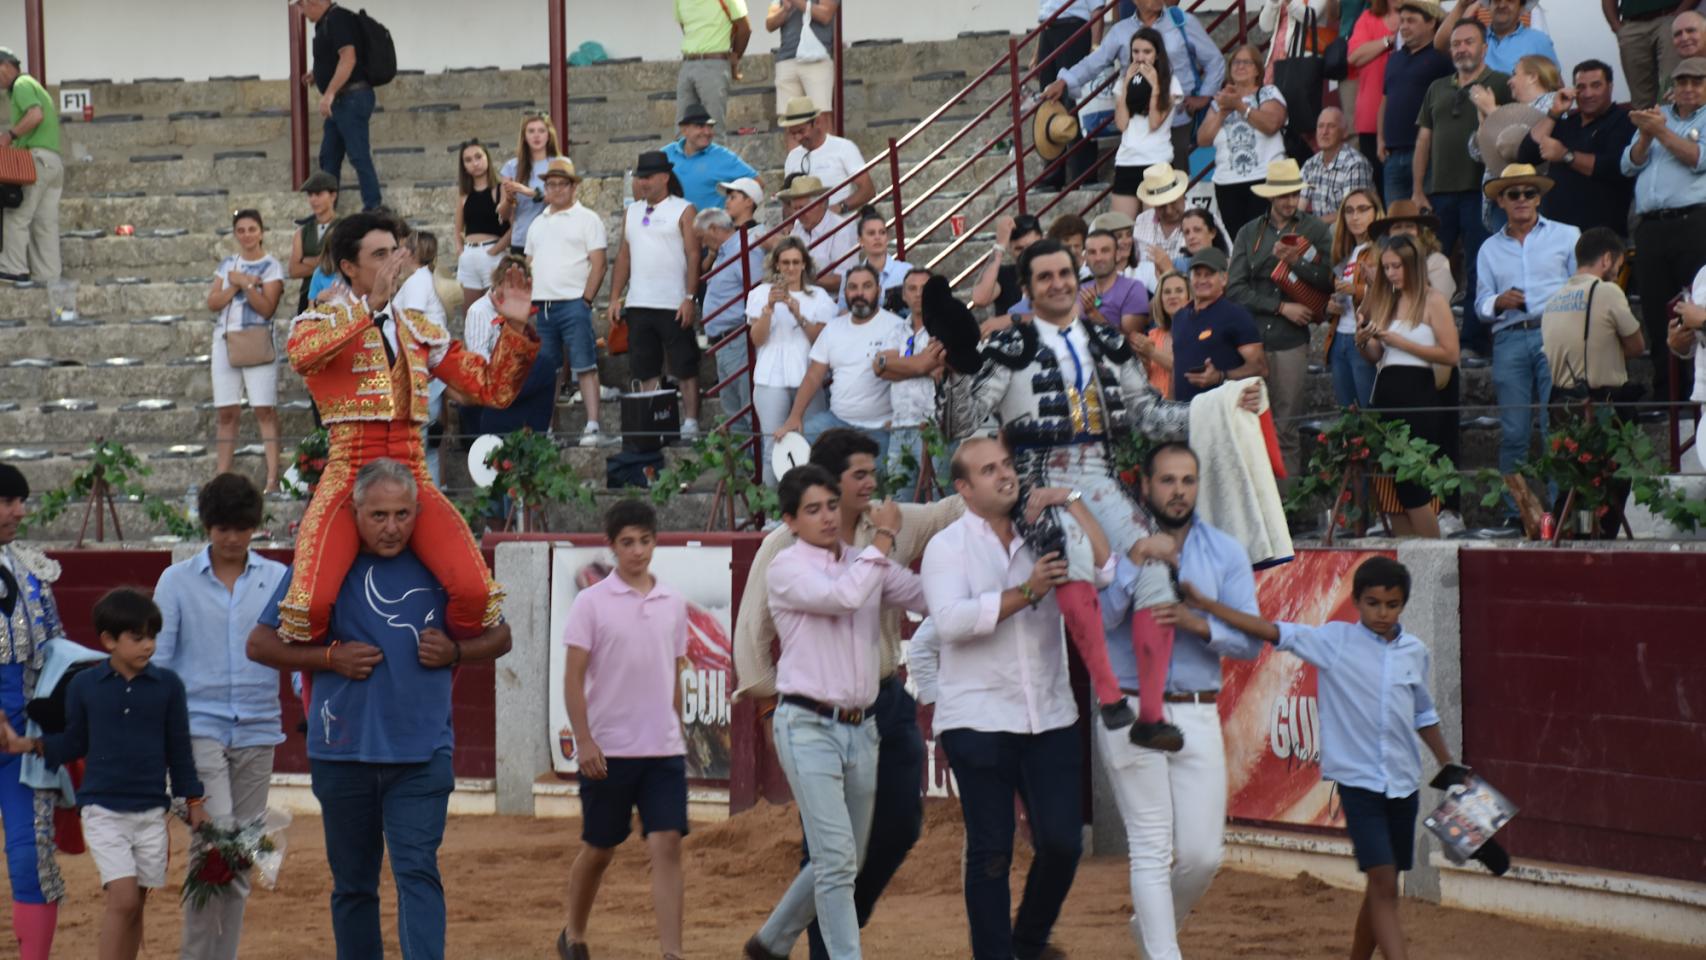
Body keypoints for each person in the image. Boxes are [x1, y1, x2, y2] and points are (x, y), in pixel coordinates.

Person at [929, 242, 1266, 752]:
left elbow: (1150, 416)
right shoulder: (1008, 349)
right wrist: (955, 365)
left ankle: (1150, 715)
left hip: (1101, 475)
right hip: (1037, 476)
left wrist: (1222, 403)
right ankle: (1109, 696)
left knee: (1157, 567)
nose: (1059, 284)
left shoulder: (1110, 341)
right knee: (1071, 552)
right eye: (1045, 277)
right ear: (1028, 288)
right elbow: (962, 423)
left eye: (1066, 274)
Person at [248, 460, 512, 960]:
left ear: (418, 512)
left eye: (403, 514)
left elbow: (502, 635)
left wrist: (457, 652)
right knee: (353, 884)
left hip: (421, 753)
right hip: (342, 752)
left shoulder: (442, 567)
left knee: (417, 873)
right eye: (379, 515)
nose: (392, 527)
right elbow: (259, 645)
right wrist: (328, 657)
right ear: (356, 512)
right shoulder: (321, 569)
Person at [735, 429, 962, 960]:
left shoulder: (866, 548)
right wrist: (767, 708)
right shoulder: (787, 558)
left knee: (849, 856)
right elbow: (839, 599)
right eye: (815, 507)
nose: (830, 515)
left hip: (869, 717)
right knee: (835, 857)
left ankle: (772, 940)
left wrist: (985, 595)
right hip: (808, 719)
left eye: (831, 506)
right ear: (793, 518)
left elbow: (919, 592)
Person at [277, 211, 538, 647]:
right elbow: (303, 358)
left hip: (412, 475)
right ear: (348, 267)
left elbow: (492, 388)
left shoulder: (418, 329)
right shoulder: (318, 321)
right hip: (347, 477)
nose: (394, 265)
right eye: (379, 255)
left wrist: (513, 327)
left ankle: (431, 669)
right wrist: (368, 307)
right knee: (307, 607)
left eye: (396, 254)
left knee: (476, 594)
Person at [1181, 556, 1456, 960]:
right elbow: (1269, 630)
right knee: (1383, 884)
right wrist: (1207, 603)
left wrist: (1448, 763)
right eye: (1373, 603)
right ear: (1358, 602)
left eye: (1392, 604)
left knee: (1382, 887)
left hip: (1403, 784)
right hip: (1359, 785)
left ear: (1403, 604)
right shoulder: (1333, 640)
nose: (1382, 613)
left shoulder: (1415, 652)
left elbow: (1424, 714)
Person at [918, 437, 1096, 960]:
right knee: (992, 852)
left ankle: (1028, 942)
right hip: (977, 718)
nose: (1005, 475)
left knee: (1064, 843)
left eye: (1008, 465)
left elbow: (1104, 572)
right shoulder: (946, 546)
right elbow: (950, 623)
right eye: (989, 470)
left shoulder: (1046, 530)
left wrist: (1075, 498)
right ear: (964, 488)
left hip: (1050, 712)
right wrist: (1030, 592)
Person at [1095, 442, 1264, 960]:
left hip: (1197, 706)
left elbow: (1251, 640)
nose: (1178, 491)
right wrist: (1137, 565)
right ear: (1144, 486)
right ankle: (1163, 951)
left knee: (1202, 854)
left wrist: (1198, 623)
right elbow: (1101, 619)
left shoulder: (1225, 551)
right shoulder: (1118, 544)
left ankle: (1150, 930)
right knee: (1149, 845)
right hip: (1128, 708)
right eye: (1167, 481)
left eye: (1187, 481)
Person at [1, 588, 208, 960]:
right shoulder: (84, 686)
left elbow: (179, 750)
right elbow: (75, 742)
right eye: (138, 637)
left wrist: (193, 800)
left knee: (135, 905)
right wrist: (25, 746)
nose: (148, 646)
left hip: (149, 811)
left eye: (152, 637)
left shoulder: (169, 687)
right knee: (124, 898)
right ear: (109, 641)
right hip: (102, 809)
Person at [150, 474, 287, 960]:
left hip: (258, 725)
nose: (231, 538)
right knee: (217, 843)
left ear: (254, 527)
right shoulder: (176, 581)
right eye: (221, 527)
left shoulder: (277, 578)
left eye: (241, 527)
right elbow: (160, 664)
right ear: (207, 526)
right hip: (198, 727)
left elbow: (292, 651)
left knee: (242, 853)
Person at [558, 501, 689, 960]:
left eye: (645, 541)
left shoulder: (672, 602)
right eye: (628, 543)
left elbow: (674, 674)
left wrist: (679, 730)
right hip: (609, 750)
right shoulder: (591, 603)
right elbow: (573, 677)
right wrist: (585, 740)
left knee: (667, 843)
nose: (638, 551)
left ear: (656, 541)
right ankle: (573, 932)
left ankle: (672, 953)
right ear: (611, 547)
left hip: (662, 749)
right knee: (600, 848)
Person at [1476, 163, 1580, 521]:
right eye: (1513, 194)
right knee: (1515, 429)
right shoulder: (1488, 249)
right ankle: (1517, 511)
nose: (1522, 200)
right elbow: (1480, 304)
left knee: (1558, 426)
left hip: (1555, 332)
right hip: (1509, 336)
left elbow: (1581, 288)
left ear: (1539, 197)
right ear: (1501, 201)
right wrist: (1497, 302)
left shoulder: (1568, 236)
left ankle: (1561, 508)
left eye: (1529, 193)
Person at [1227, 158, 1333, 474]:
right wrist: (1280, 306)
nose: (1289, 201)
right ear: (1270, 196)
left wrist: (1296, 263)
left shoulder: (1315, 229)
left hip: (1288, 340)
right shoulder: (1249, 232)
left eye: (1293, 194)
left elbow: (1328, 279)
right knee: (1250, 423)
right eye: (1283, 195)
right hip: (1253, 338)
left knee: (1286, 427)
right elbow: (1234, 288)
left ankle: (1288, 510)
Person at [0, 463, 67, 960]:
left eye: (20, 501)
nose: (19, 511)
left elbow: (56, 651)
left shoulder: (32, 566)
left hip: (23, 737)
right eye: (7, 502)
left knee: (33, 857)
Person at [1413, 17, 1509, 355]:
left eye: (1468, 42)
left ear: (1484, 47)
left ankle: (1472, 342)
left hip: (1480, 192)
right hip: (1439, 193)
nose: (1461, 49)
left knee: (1476, 267)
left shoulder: (1501, 82)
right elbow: (1423, 139)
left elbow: (1509, 134)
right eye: (1456, 43)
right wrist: (1417, 190)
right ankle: (1423, 335)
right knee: (1427, 265)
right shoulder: (1437, 87)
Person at [1356, 233, 1461, 537]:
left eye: (1396, 267)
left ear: (1413, 265)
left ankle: (1432, 555)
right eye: (1386, 267)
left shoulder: (1432, 300)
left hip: (1418, 395)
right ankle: (1405, 556)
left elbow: (1451, 353)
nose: (1390, 274)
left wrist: (1400, 341)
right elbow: (1375, 354)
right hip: (1386, 394)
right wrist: (1364, 342)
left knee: (1413, 487)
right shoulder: (1387, 300)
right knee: (1390, 492)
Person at [1046, 0, 1225, 170]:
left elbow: (1215, 60)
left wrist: (1204, 96)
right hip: (1138, 125)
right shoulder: (1121, 31)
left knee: (1176, 183)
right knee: (1143, 184)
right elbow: (1094, 63)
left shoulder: (1182, 22)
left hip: (1177, 118)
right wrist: (1064, 81)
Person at [1624, 57, 1706, 403]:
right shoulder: (1658, 116)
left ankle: (1695, 391)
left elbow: (1699, 158)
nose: (1688, 88)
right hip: (1651, 226)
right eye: (1682, 81)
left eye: (1697, 82)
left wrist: (1660, 132)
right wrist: (1645, 135)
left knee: (1695, 305)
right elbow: (1628, 164)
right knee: (1658, 312)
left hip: (1694, 223)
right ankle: (1665, 393)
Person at [609, 150, 703, 440]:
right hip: (639, 300)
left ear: (664, 177)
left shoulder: (684, 209)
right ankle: (650, 420)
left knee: (684, 363)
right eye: (641, 177)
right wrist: (615, 296)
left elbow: (693, 253)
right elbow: (623, 256)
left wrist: (690, 296)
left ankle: (691, 421)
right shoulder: (632, 211)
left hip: (672, 299)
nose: (644, 182)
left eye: (649, 177)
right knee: (644, 365)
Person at [776, 265, 909, 458]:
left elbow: (908, 375)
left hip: (882, 426)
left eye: (867, 286)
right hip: (837, 422)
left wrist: (899, 417)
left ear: (878, 290)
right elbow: (814, 376)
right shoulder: (833, 328)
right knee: (796, 444)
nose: (859, 293)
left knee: (877, 484)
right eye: (853, 287)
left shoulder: (897, 327)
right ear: (845, 292)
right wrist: (794, 417)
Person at [528, 157, 611, 447]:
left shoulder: (588, 219)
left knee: (585, 365)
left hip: (573, 301)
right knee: (546, 371)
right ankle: (547, 428)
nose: (556, 189)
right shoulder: (538, 223)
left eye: (562, 184)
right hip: (543, 305)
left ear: (573, 186)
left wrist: (585, 300)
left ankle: (592, 425)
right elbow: (529, 264)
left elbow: (599, 264)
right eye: (551, 184)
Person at [206, 208, 286, 493]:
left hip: (257, 338)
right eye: (241, 230)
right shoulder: (228, 264)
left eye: (252, 229)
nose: (247, 235)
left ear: (261, 232)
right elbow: (213, 301)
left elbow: (267, 307)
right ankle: (221, 476)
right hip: (226, 340)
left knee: (264, 409)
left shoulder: (272, 266)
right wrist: (236, 284)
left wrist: (247, 285)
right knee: (226, 412)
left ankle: (272, 478)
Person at [1514, 60, 1636, 237]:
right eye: (1581, 87)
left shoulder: (1624, 120)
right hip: (1555, 234)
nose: (1588, 94)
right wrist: (1554, 112)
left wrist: (1565, 155)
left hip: (1599, 235)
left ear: (1610, 87)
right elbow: (1526, 155)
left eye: (1596, 86)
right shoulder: (1566, 123)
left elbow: (1614, 167)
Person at [749, 238, 836, 483]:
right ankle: (771, 517)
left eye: (796, 262)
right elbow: (757, 338)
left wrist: (798, 314)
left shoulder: (818, 296)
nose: (790, 268)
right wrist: (768, 309)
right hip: (770, 378)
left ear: (804, 265)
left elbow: (820, 340)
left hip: (807, 377)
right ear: (776, 264)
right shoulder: (759, 294)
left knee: (812, 445)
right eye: (785, 262)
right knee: (772, 447)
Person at [1542, 227, 1646, 405]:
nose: (1616, 277)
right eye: (1618, 268)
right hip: (1601, 409)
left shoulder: (1552, 301)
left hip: (1562, 408)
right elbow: (1637, 347)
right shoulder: (1607, 291)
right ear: (1606, 260)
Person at [296, 0, 380, 212]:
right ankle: (326, 210)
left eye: (301, 4)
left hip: (350, 97)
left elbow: (348, 59)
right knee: (329, 156)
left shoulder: (337, 18)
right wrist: (318, 75)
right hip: (342, 101)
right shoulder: (326, 22)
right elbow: (336, 59)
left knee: (357, 153)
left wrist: (329, 93)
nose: (301, 10)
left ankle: (373, 206)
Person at [1198, 43, 1290, 234]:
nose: (1240, 66)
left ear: (1257, 69)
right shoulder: (1220, 101)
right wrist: (1223, 112)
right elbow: (1203, 139)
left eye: (1246, 62)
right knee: (1239, 242)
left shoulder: (1267, 92)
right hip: (1227, 183)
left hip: (1264, 179)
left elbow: (1272, 124)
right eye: (1236, 63)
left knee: (1266, 239)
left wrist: (1239, 106)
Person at [877, 269, 948, 501]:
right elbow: (879, 369)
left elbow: (887, 365)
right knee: (899, 504)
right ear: (904, 295)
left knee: (942, 503)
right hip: (900, 428)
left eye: (925, 289)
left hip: (936, 428)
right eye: (912, 289)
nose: (919, 295)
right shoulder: (896, 330)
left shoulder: (947, 327)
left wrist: (895, 364)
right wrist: (922, 366)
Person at [703, 178, 770, 422]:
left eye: (733, 196)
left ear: (749, 201)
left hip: (737, 336)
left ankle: (755, 459)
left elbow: (754, 286)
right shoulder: (732, 243)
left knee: (745, 410)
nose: (727, 202)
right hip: (726, 339)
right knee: (736, 414)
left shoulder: (755, 236)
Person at [1377, 1, 1453, 207]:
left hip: (1428, 156)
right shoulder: (1394, 59)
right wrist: (1380, 138)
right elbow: (1385, 98)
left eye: (1411, 21)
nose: (1403, 26)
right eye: (1402, 20)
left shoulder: (1442, 59)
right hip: (1392, 156)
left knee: (1426, 223)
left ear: (1431, 23)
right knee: (1395, 222)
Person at [392, 230, 453, 485]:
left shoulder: (418, 281)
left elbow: (413, 324)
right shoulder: (424, 279)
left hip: (422, 377)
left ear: (411, 253)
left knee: (422, 451)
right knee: (425, 452)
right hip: (426, 376)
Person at [1172, 248, 1269, 402]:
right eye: (1197, 274)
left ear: (1224, 279)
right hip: (1185, 414)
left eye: (1209, 274)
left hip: (1223, 411)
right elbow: (1176, 368)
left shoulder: (1236, 315)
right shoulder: (1179, 317)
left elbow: (1260, 368)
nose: (1202, 280)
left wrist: (1220, 376)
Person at [0, 46, 61, 284]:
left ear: (5, 66)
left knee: (17, 213)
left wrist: (9, 136)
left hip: (37, 159)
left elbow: (35, 115)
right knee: (44, 224)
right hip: (52, 162)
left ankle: (13, 267)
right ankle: (48, 276)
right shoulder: (33, 85)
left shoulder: (22, 85)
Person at [1111, 28, 1184, 219]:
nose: (1140, 57)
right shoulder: (1122, 82)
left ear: (1157, 54)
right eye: (1135, 52)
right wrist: (1126, 84)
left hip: (1156, 161)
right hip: (1127, 160)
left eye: (1147, 52)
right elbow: (1121, 124)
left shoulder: (1170, 83)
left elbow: (1154, 122)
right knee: (1120, 228)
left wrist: (1155, 86)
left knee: (1152, 230)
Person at [781, 97, 875, 242]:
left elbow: (867, 190)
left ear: (817, 122)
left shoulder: (843, 148)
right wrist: (788, 224)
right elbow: (788, 199)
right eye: (793, 133)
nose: (798, 137)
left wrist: (839, 208)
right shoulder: (793, 156)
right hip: (804, 234)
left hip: (839, 231)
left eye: (801, 131)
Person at [1329, 188, 1385, 408]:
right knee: (1348, 416)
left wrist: (1358, 290)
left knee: (1371, 416)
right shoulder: (1344, 252)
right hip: (1339, 336)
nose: (1355, 217)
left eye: (1363, 210)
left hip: (1366, 337)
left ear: (1376, 212)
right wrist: (1330, 306)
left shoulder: (1382, 249)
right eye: (1349, 211)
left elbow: (1393, 292)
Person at [1347, 0, 1400, 192]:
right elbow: (1354, 56)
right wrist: (1389, 41)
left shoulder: (1417, 15)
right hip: (1371, 115)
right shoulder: (1368, 18)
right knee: (1376, 184)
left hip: (1407, 116)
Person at [664, 105, 758, 212]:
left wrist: (733, 214)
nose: (707, 132)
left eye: (710, 126)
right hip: (672, 227)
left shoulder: (723, 157)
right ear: (684, 130)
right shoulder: (666, 154)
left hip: (711, 227)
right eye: (700, 126)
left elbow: (756, 184)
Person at [454, 140, 512, 309]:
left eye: (478, 156)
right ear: (464, 166)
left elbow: (514, 227)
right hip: (469, 256)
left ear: (487, 158)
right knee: (470, 313)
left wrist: (495, 250)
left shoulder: (500, 189)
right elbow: (458, 228)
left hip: (492, 254)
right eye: (468, 160)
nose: (475, 163)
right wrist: (460, 250)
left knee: (495, 312)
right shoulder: (464, 195)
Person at [676, 0, 749, 128]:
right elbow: (685, 26)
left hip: (714, 63)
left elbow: (745, 29)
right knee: (683, 129)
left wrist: (735, 56)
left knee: (713, 129)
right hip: (688, 62)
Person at [780, 175, 858, 296]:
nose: (799, 214)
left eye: (803, 208)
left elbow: (845, 279)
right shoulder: (798, 226)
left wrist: (800, 276)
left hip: (831, 304)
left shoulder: (841, 230)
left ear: (821, 203)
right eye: (795, 208)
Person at [498, 113, 562, 257]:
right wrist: (509, 198)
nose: (536, 135)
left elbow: (562, 200)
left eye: (541, 130)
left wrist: (527, 191)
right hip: (521, 241)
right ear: (524, 136)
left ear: (549, 135)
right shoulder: (511, 167)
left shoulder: (559, 163)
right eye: (531, 131)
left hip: (552, 239)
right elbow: (503, 214)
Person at [769, 0, 840, 125]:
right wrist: (785, 10)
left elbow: (825, 15)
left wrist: (796, 2)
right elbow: (770, 24)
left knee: (821, 119)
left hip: (816, 60)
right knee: (791, 122)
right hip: (786, 60)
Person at [1609, 0, 1689, 110]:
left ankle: (1675, 123)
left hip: (1668, 17)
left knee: (1672, 83)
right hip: (1632, 24)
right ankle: (1646, 124)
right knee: (1640, 96)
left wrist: (1680, 13)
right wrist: (1617, 27)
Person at [1439, 0, 1556, 73]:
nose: (1502, 4)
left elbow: (1554, 84)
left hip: (1518, 112)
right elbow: (1441, 44)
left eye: (1510, 0)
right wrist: (1460, 5)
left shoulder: (1538, 41)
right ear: (1489, 6)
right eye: (1496, 0)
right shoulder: (1476, 38)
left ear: (1521, 8)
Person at [1301, 107, 1376, 216]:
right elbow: (1300, 205)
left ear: (1344, 133)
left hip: (1348, 228)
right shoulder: (1311, 164)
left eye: (1331, 126)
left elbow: (1351, 213)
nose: (1324, 132)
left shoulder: (1355, 164)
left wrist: (1314, 225)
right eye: (1320, 126)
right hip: (1319, 229)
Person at [969, 214, 1045, 317]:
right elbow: (979, 299)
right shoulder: (1004, 275)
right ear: (1010, 248)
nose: (1026, 253)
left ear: (1043, 240)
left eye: (1032, 246)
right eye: (1019, 249)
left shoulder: (1057, 273)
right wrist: (999, 246)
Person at [1131, 163, 1190, 291]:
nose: (1169, 211)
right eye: (1161, 206)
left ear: (1182, 194)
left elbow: (1226, 260)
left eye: (1173, 202)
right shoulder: (1142, 220)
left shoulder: (1203, 219)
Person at [288, 171, 340, 316]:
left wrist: (307, 261)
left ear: (333, 196)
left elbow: (341, 263)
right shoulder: (303, 231)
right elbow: (294, 270)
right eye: (310, 195)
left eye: (318, 194)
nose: (313, 199)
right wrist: (325, 262)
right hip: (307, 296)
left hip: (336, 295)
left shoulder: (344, 227)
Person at [838, 208, 912, 309]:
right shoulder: (850, 276)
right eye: (871, 233)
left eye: (882, 232)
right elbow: (843, 312)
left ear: (887, 237)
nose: (877, 237)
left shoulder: (905, 271)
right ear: (860, 240)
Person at [1081, 228, 1152, 334]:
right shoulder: (1079, 289)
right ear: (1085, 257)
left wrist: (1094, 314)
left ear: (1117, 254)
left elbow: (1130, 343)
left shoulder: (1133, 288)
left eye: (1105, 251)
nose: (1098, 258)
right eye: (1092, 252)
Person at [1134, 270, 1185, 396]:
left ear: (1190, 297)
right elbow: (1143, 379)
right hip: (1155, 409)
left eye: (1179, 290)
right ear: (1160, 300)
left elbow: (1186, 368)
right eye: (1167, 292)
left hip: (1184, 408)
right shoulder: (1152, 336)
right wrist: (1144, 361)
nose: (1172, 296)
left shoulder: (1198, 332)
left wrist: (1151, 352)